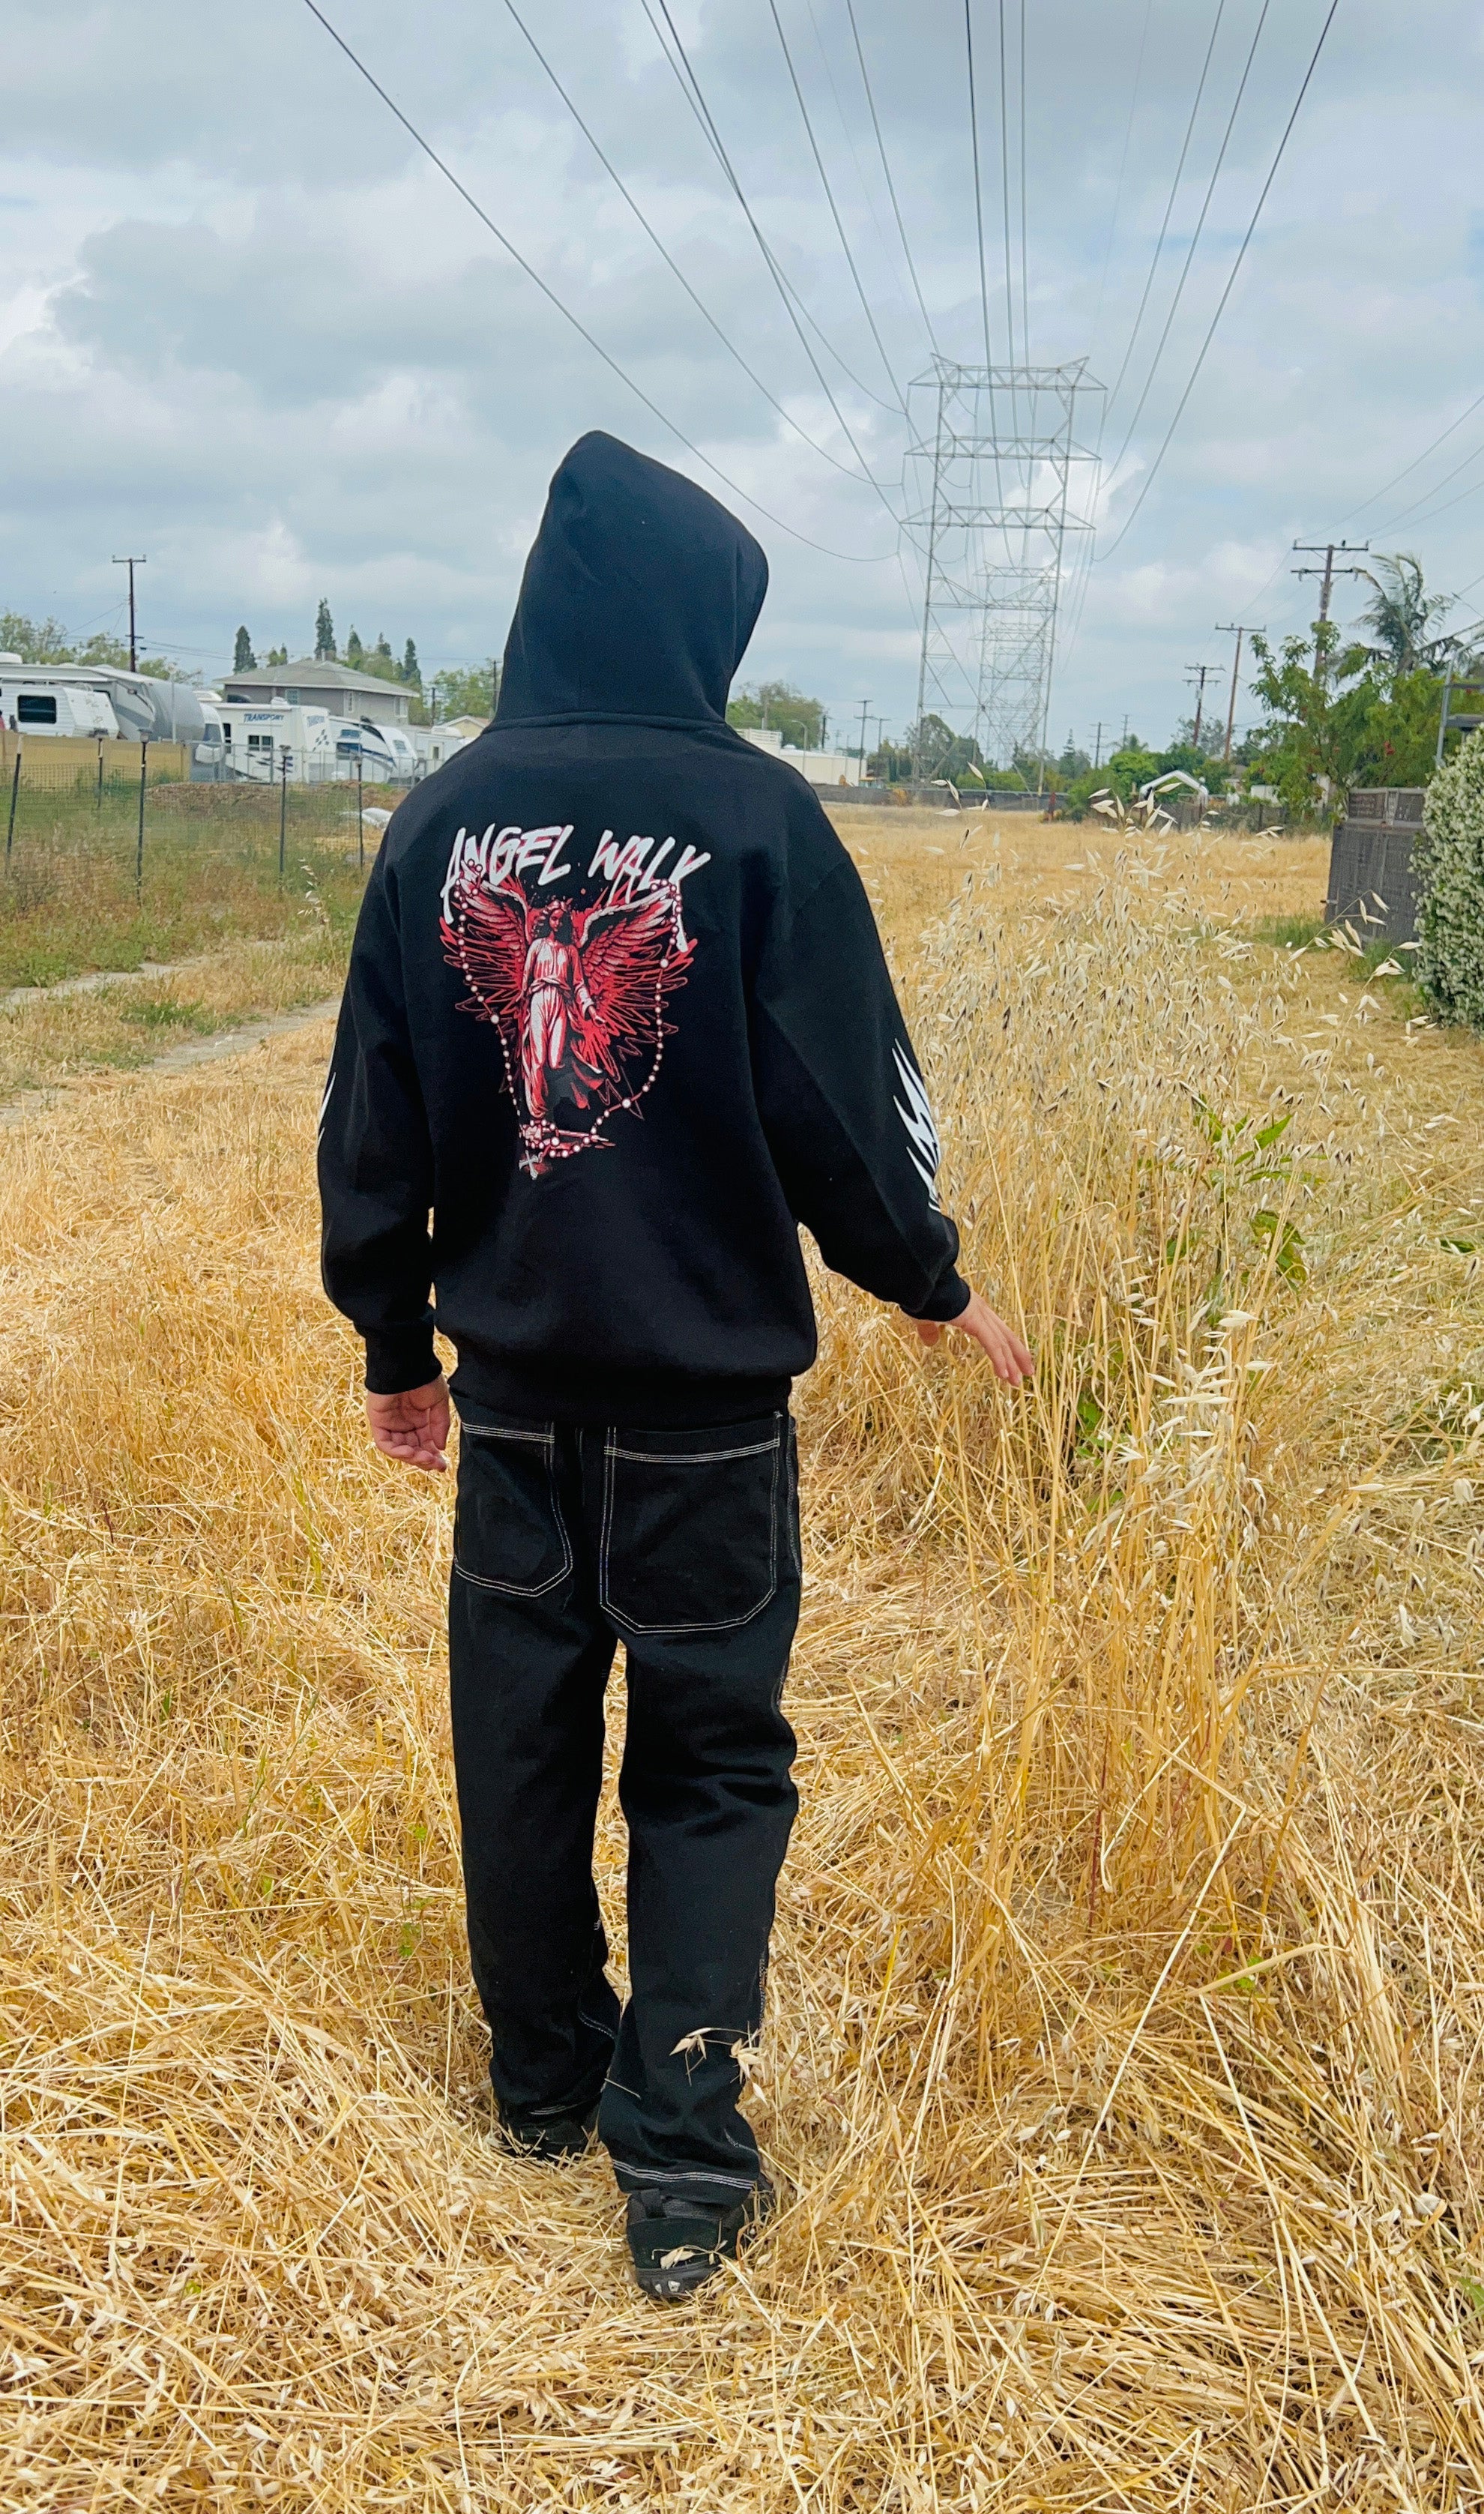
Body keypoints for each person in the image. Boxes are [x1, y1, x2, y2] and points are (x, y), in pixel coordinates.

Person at [318, 432, 1033, 2301]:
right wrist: (927, 1278)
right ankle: (687, 2167)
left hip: (515, 1408)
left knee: (519, 1746)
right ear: (704, 619)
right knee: (711, 1767)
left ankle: (544, 2084)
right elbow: (843, 1101)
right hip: (706, 1421)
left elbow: (373, 1121)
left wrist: (394, 1342)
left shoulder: (436, 819)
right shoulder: (760, 817)